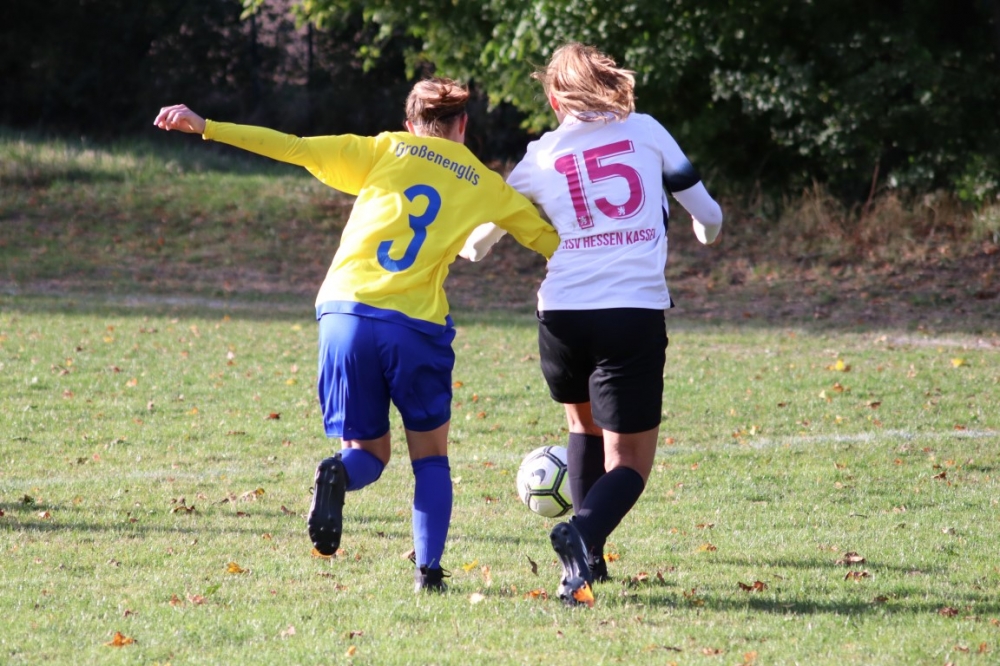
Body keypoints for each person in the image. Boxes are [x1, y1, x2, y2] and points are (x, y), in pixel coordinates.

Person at [153, 78, 560, 593]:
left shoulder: (385, 148)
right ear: (463, 125)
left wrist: (207, 127)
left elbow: (292, 147)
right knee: (430, 459)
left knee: (367, 453)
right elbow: (546, 239)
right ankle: (428, 573)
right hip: (413, 324)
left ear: (410, 124)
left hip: (342, 312)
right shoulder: (483, 181)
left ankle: (339, 473)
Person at [461, 43, 723, 606]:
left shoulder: (541, 153)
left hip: (560, 315)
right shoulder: (646, 130)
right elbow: (708, 215)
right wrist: (704, 234)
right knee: (630, 463)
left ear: (556, 101)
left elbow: (479, 245)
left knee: (583, 430)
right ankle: (581, 534)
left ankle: (588, 567)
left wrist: (463, 243)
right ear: (609, 83)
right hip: (629, 312)